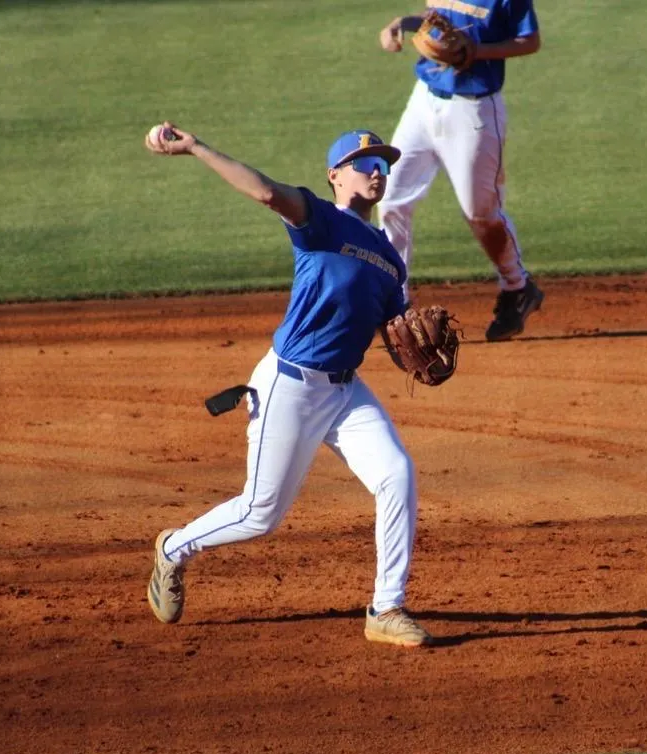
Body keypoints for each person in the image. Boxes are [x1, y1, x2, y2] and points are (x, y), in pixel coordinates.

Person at [142, 122, 432, 648]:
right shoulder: (320, 221)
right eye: (366, 164)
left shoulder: (390, 259)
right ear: (335, 176)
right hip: (290, 385)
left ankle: (386, 608)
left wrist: (416, 352)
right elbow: (266, 192)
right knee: (260, 513)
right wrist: (197, 147)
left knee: (397, 474)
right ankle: (173, 549)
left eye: (384, 165)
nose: (377, 173)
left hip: (345, 391)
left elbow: (396, 334)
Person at [378, 1, 543, 342]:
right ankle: (395, 302)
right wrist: (402, 23)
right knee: (390, 198)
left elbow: (530, 40)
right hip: (423, 101)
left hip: (475, 111)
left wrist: (479, 51)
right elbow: (437, 22)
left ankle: (517, 286)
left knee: (480, 212)